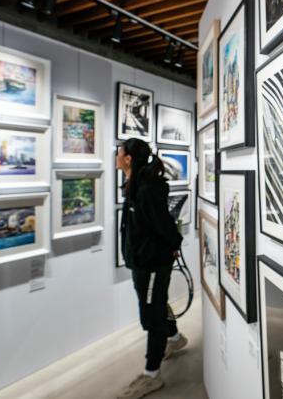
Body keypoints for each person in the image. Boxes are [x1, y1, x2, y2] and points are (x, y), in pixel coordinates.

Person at [116, 138, 188, 399]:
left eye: (119, 152)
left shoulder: (147, 189)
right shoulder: (134, 185)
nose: (116, 155)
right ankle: (175, 338)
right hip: (142, 261)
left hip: (152, 263)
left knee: (152, 315)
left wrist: (175, 243)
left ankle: (151, 374)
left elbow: (164, 224)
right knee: (157, 303)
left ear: (128, 159)